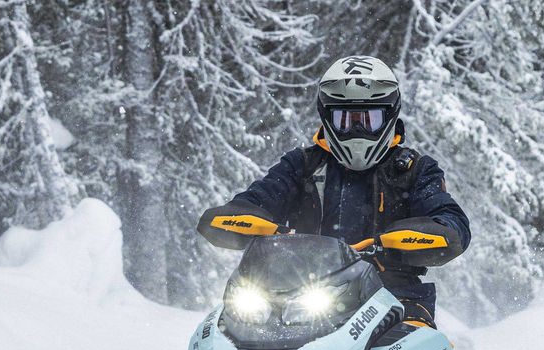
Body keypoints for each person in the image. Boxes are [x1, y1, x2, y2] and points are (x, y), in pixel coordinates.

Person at [196, 55, 469, 326]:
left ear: (389, 117)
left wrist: (410, 237)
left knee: (415, 348)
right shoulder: (302, 165)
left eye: (369, 119)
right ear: (327, 117)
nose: (357, 130)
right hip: (299, 299)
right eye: (345, 120)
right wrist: (244, 219)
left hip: (393, 298)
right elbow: (256, 201)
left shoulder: (414, 169)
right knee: (232, 332)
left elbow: (451, 223)